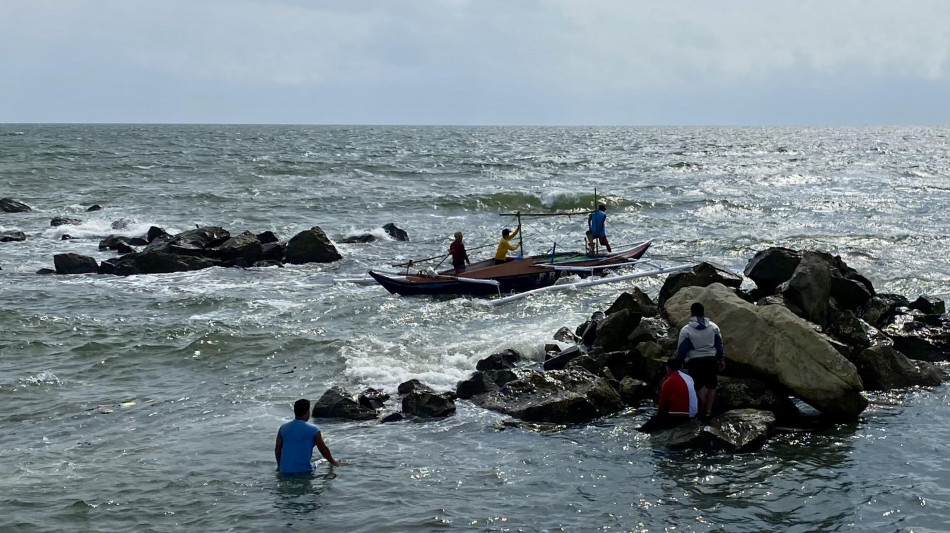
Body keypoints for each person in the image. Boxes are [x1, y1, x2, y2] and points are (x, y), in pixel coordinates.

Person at [676, 302, 725, 420]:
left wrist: (680, 361)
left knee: (699, 386)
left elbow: (682, 348)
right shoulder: (713, 327)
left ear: (691, 313)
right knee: (711, 386)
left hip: (695, 361)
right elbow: (719, 345)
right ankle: (708, 411)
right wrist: (721, 359)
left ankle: (700, 408)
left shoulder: (686, 330)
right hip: (711, 360)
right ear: (703, 312)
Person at [275, 398, 340, 474]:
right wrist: (333, 462)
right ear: (307, 412)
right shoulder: (314, 430)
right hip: (304, 471)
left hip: (285, 470)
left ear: (295, 412)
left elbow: (277, 449)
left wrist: (279, 466)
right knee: (320, 462)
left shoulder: (283, 428)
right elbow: (323, 449)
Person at [637, 358, 698, 432]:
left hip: (680, 415)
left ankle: (639, 431)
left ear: (668, 368)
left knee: (652, 422)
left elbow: (662, 404)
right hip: (693, 413)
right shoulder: (688, 377)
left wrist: (659, 416)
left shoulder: (668, 381)